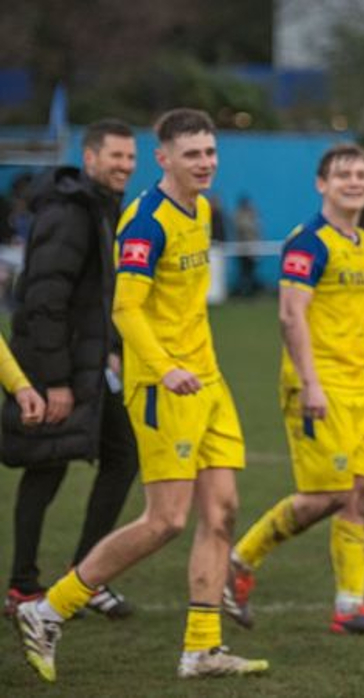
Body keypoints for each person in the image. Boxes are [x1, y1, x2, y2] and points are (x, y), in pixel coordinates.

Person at [13, 108, 268, 682]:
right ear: (165, 159)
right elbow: (126, 308)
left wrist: (197, 367)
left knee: (222, 511)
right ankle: (47, 609)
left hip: (209, 383)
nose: (205, 164)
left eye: (211, 153)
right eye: (193, 154)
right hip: (163, 387)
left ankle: (201, 648)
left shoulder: (201, 210)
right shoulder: (146, 220)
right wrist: (164, 367)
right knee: (165, 521)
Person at [224, 144, 364, 635]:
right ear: (322, 184)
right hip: (317, 386)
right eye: (343, 175)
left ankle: (350, 605)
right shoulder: (308, 242)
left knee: (361, 492)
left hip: (359, 387)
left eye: (361, 174)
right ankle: (240, 561)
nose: (354, 182)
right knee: (327, 494)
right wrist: (310, 382)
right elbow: (291, 314)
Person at [3, 119, 141, 620]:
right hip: (54, 368)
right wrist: (54, 380)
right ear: (89, 158)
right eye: (115, 157)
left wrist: (111, 347)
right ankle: (24, 587)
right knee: (47, 465)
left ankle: (85, 575)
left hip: (90, 365)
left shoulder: (101, 208)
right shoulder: (70, 212)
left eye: (130, 157)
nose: (125, 165)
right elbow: (43, 299)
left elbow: (95, 296)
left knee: (120, 456)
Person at [231, 195, 262, 297]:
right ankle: (243, 290)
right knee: (244, 271)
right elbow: (244, 228)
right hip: (243, 248)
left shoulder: (252, 215)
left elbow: (257, 231)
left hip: (252, 248)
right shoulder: (239, 215)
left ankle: (250, 290)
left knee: (250, 271)